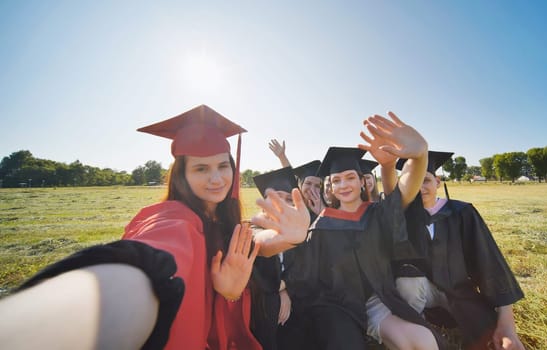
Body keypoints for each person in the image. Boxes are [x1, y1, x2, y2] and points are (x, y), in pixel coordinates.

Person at [0, 105, 310, 350]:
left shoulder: (223, 220)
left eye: (223, 165)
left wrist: (289, 237)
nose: (216, 179)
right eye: (201, 168)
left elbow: (254, 240)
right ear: (181, 175)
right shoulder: (174, 218)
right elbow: (159, 250)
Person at [284, 112, 447, 350]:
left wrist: (420, 154)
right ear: (330, 187)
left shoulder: (377, 214)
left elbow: (406, 188)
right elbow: (306, 274)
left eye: (350, 177)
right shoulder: (321, 225)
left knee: (423, 342)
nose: (343, 185)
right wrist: (283, 289)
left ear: (362, 182)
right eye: (336, 180)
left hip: (375, 300)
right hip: (335, 305)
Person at [389, 151, 525, 350]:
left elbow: (488, 261)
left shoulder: (461, 212)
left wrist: (507, 322)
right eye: (412, 181)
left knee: (490, 340)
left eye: (425, 180)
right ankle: (416, 328)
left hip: (460, 293)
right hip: (419, 294)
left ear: (437, 181)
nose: (418, 188)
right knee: (406, 280)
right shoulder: (399, 219)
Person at [250, 166, 299, 350]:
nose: (283, 204)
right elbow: (260, 276)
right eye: (277, 198)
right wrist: (279, 291)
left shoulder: (294, 232)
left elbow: (302, 269)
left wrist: (284, 289)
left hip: (286, 300)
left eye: (288, 200)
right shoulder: (251, 231)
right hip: (261, 308)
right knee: (270, 304)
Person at [268, 139, 325, 218]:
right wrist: (282, 156)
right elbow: (291, 177)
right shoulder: (293, 202)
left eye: (317, 186)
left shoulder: (326, 205)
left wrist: (323, 213)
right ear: (300, 185)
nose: (312, 189)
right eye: (308, 183)